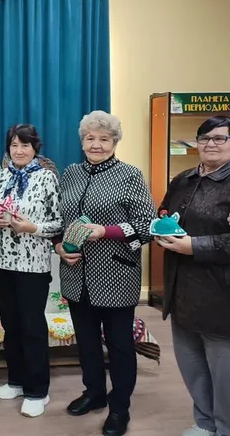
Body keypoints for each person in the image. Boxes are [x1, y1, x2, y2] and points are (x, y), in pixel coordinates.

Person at [156, 116, 230, 436]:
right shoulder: (184, 179)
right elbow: (166, 212)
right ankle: (205, 423)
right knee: (193, 368)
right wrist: (161, 229)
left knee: (228, 377)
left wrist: (195, 246)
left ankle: (227, 430)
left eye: (220, 139)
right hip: (184, 292)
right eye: (204, 138)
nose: (210, 144)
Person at [55, 111, 155, 436]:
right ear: (82, 141)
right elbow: (58, 219)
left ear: (114, 142)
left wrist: (106, 231)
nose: (96, 144)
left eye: (104, 139)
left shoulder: (130, 175)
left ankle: (119, 407)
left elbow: (147, 227)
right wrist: (59, 245)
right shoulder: (70, 173)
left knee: (119, 345)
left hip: (116, 275)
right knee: (86, 342)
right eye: (90, 138)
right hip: (76, 275)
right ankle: (94, 392)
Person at [0, 124, 62, 418]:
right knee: (10, 324)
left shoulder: (47, 178)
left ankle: (38, 390)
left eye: (25, 145)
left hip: (33, 265)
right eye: (14, 145)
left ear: (35, 149)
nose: (19, 151)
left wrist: (32, 227)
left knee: (31, 326)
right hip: (2, 262)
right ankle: (16, 380)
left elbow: (58, 223)